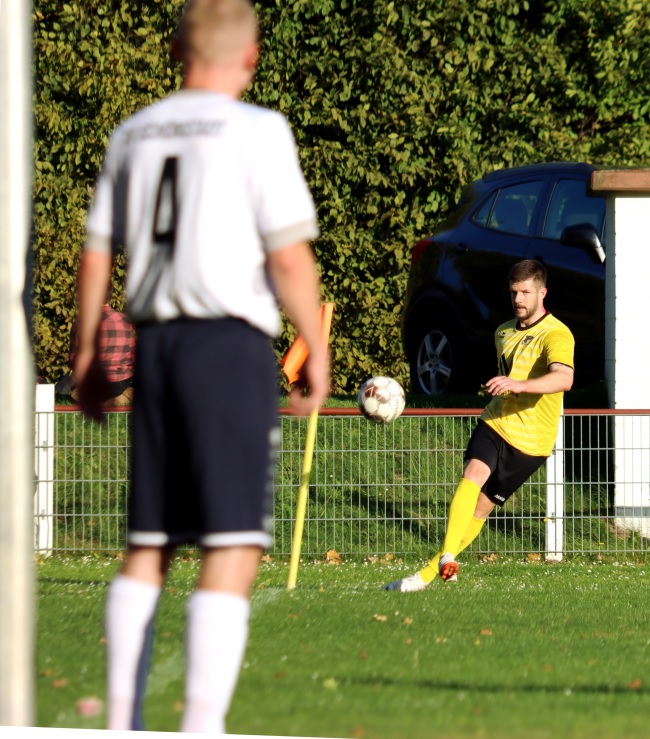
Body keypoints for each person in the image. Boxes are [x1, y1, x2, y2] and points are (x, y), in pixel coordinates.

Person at [73, 0, 330, 732]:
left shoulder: (134, 131)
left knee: (149, 542)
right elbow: (288, 256)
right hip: (229, 347)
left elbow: (98, 250)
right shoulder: (259, 130)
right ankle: (200, 725)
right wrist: (315, 345)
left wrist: (86, 350)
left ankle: (124, 720)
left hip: (155, 346)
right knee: (232, 539)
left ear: (175, 50)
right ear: (250, 57)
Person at [384, 259, 574, 592]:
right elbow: (510, 375)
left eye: (525, 292)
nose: (518, 299)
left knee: (481, 509)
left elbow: (564, 378)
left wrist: (519, 385)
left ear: (542, 292)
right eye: (513, 292)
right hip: (495, 422)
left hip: (531, 443)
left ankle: (426, 575)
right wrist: (502, 386)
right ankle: (446, 558)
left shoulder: (556, 334)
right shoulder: (503, 331)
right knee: (473, 473)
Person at [67, 297, 135, 406]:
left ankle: (91, 398)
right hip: (120, 381)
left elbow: (74, 359)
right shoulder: (124, 320)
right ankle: (116, 398)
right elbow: (132, 355)